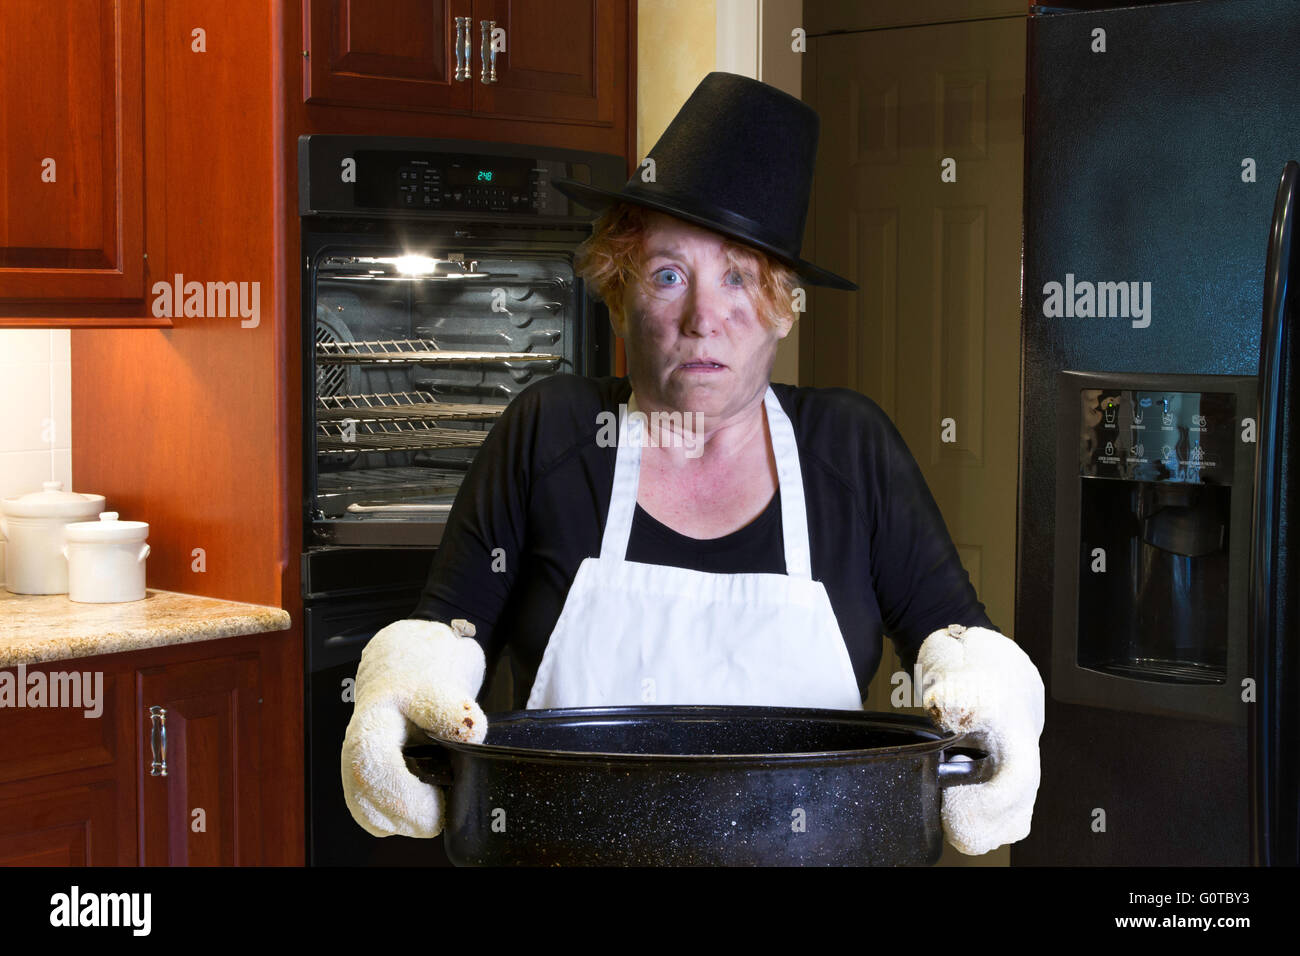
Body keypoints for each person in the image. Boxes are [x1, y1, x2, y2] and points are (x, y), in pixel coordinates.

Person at [341, 72, 1044, 856]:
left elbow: (957, 640)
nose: (703, 318)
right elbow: (448, 633)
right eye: (668, 275)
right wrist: (400, 686)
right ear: (620, 294)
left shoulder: (849, 448)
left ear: (780, 308)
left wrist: (997, 703)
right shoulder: (551, 434)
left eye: (738, 277)